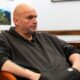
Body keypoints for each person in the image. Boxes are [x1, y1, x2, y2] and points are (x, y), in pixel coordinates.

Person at [0, 3, 80, 80]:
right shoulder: (5, 39)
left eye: (35, 17)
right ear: (16, 21)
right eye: (30, 17)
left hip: (70, 75)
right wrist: (34, 76)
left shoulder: (47, 36)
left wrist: (76, 69)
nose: (35, 21)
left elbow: (72, 50)